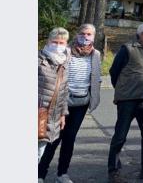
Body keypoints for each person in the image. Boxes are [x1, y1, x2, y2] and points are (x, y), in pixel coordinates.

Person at [39, 24, 102, 183]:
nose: (85, 37)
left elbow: (96, 76)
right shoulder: (66, 51)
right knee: (53, 138)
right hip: (62, 102)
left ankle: (62, 174)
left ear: (93, 36)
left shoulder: (96, 55)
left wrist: (94, 96)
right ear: (77, 34)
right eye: (82, 33)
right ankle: (40, 174)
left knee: (70, 139)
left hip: (81, 103)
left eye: (89, 34)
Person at [107, 22, 143, 183]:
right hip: (127, 100)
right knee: (120, 136)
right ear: (142, 34)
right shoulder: (127, 49)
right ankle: (113, 170)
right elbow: (113, 72)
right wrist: (123, 90)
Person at [38, 28, 70, 167]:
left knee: (40, 152)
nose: (58, 45)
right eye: (54, 42)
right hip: (38, 113)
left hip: (52, 117)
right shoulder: (39, 60)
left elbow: (64, 90)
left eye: (61, 42)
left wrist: (63, 114)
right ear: (48, 41)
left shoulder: (65, 62)